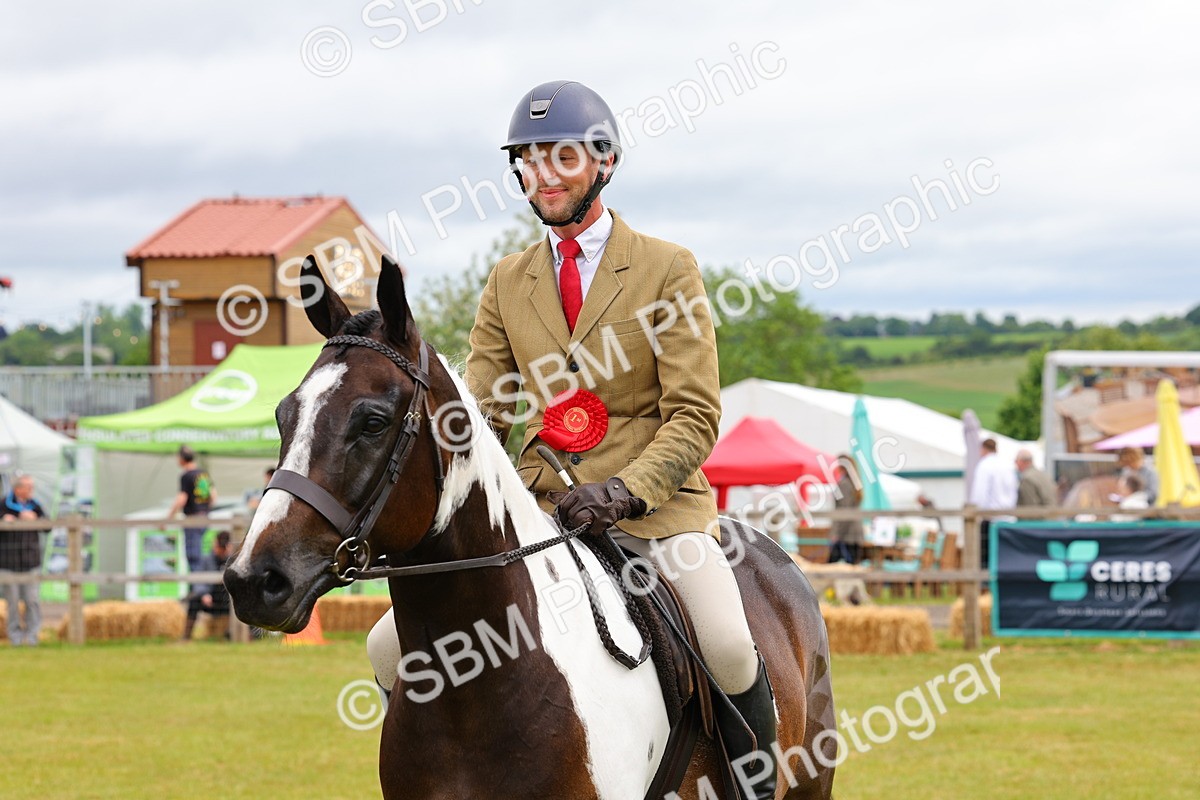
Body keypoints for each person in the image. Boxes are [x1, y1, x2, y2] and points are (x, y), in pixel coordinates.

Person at [365, 80, 776, 797]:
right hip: (542, 518)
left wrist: (624, 491)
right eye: (527, 160)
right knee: (386, 646)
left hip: (655, 519)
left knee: (731, 646)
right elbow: (482, 415)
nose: (541, 175)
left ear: (605, 163)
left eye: (560, 158)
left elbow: (694, 415)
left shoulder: (666, 267)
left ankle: (752, 786)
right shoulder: (506, 280)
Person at [1, 475, 49, 646]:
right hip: (8, 564)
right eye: (28, 487)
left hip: (31, 563)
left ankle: (32, 638)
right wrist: (5, 522)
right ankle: (15, 639)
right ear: (18, 489)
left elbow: (48, 526)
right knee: (12, 603)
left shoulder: (35, 505)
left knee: (32, 601)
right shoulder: (3, 505)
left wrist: (35, 520)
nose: (31, 490)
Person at [968, 438, 1017, 572]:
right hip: (1008, 518)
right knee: (1004, 556)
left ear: (983, 449)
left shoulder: (984, 465)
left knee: (986, 558)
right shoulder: (1007, 465)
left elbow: (980, 493)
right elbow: (1013, 491)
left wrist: (977, 512)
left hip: (990, 518)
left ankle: (986, 586)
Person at [166, 445, 216, 572]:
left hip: (192, 519)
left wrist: (168, 518)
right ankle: (200, 588)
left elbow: (182, 499)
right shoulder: (203, 473)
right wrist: (205, 509)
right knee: (202, 553)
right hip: (205, 517)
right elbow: (213, 496)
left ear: (182, 459)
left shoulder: (186, 476)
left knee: (193, 556)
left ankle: (199, 590)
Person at [182, 531, 232, 641]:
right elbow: (198, 580)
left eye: (223, 547)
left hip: (228, 601)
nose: (220, 550)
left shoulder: (233, 560)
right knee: (193, 602)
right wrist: (204, 594)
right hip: (211, 599)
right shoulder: (206, 559)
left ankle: (243, 636)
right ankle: (186, 637)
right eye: (219, 546)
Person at [829, 455, 864, 564]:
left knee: (831, 569)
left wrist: (836, 534)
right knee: (852, 570)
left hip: (846, 536)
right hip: (855, 535)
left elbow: (844, 512)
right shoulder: (855, 484)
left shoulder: (844, 484)